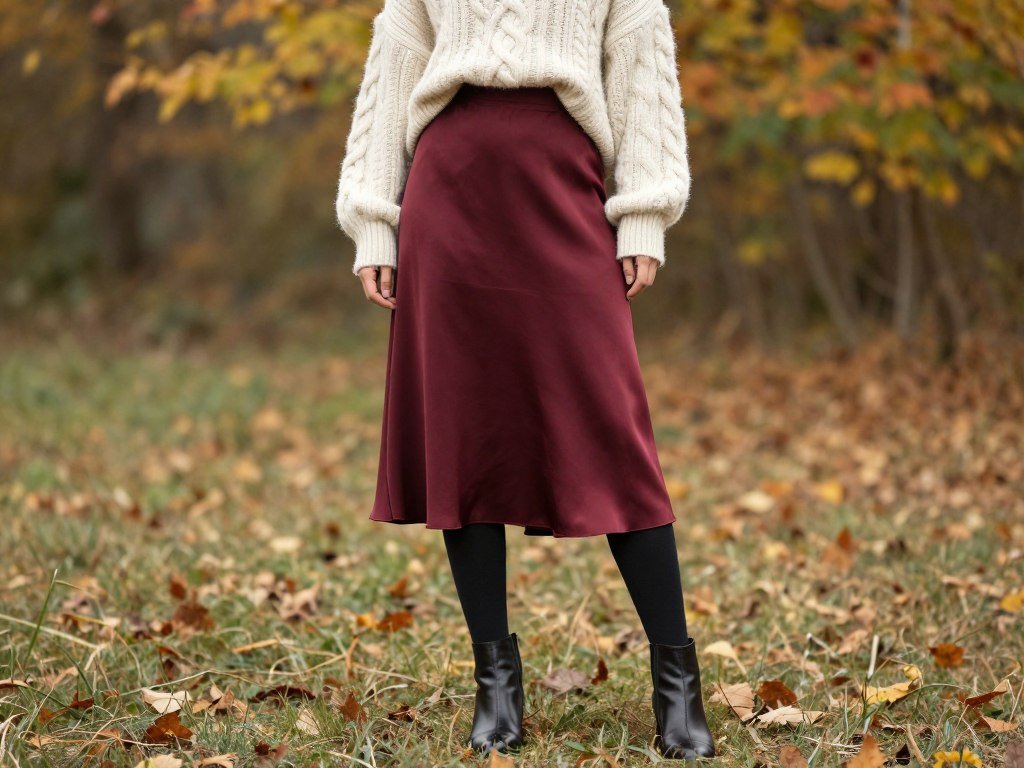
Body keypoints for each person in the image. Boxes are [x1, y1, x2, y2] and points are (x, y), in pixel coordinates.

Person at [335, 0, 716, 758]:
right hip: (448, 192)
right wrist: (375, 221)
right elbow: (395, 67)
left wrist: (644, 212)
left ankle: (677, 683)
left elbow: (641, 68)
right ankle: (496, 686)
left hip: (564, 185)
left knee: (612, 430)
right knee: (466, 439)